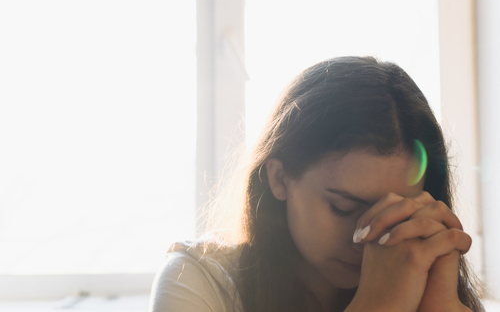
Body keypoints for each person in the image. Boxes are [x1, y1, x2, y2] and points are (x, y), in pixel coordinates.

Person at [149, 56, 484, 312]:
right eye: (344, 208)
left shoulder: (434, 288)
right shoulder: (198, 281)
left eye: (400, 215)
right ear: (279, 178)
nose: (369, 237)